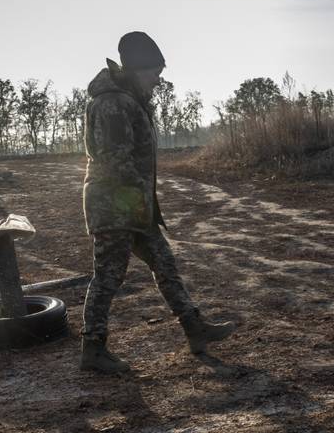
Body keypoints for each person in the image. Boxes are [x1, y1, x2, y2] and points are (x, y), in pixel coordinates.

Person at [80, 31, 234, 373]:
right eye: (154, 73)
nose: (157, 80)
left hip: (132, 206)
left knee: (165, 263)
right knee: (108, 275)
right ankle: (92, 348)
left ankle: (195, 329)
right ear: (136, 68)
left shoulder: (128, 99)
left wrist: (142, 207)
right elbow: (115, 160)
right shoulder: (113, 103)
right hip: (115, 206)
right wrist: (132, 206)